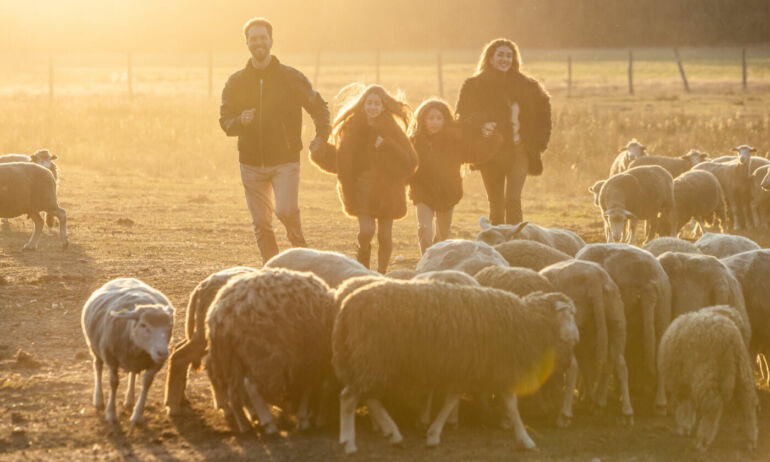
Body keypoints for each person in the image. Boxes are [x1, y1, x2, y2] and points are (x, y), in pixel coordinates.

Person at [219, 17, 330, 263]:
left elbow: (319, 107)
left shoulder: (291, 78)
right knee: (261, 224)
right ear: (247, 43)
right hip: (250, 164)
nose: (258, 42)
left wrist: (322, 136)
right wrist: (239, 121)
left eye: (262, 38)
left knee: (286, 211)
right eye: (253, 38)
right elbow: (225, 120)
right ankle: (273, 270)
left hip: (285, 161)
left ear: (271, 41)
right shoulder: (236, 82)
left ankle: (301, 252)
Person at [455, 38, 552, 225]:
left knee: (513, 201)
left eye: (509, 55)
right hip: (490, 152)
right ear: (490, 58)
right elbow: (463, 118)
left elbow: (544, 109)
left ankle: (516, 245)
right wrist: (481, 125)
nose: (504, 59)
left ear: (514, 59)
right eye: (500, 55)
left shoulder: (528, 86)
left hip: (519, 151)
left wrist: (539, 141)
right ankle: (498, 247)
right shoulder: (474, 86)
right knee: (496, 205)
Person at [331, 84, 417, 273]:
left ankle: (382, 273)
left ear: (383, 106)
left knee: (385, 236)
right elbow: (342, 159)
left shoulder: (392, 129)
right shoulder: (351, 128)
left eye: (377, 103)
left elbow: (411, 161)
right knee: (366, 232)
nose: (373, 107)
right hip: (362, 188)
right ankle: (363, 263)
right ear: (363, 105)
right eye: (369, 103)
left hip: (388, 190)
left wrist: (387, 145)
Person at [408, 99, 502, 254]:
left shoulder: (455, 141)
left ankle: (437, 257)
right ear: (423, 120)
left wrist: (492, 139)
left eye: (439, 118)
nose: (435, 123)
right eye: (431, 118)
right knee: (424, 229)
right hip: (422, 192)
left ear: (445, 121)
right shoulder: (414, 141)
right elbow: (405, 163)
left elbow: (476, 153)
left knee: (443, 234)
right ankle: (425, 261)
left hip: (447, 193)